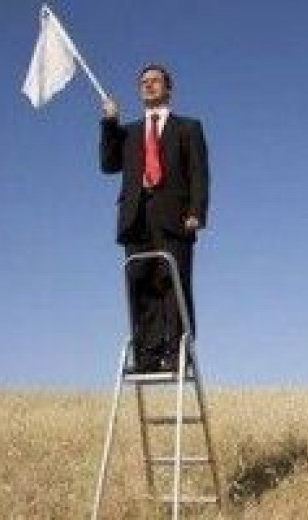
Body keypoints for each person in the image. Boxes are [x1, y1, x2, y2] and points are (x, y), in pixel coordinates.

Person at [99, 64, 209, 373]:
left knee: (173, 282)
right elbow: (108, 165)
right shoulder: (129, 132)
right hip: (136, 218)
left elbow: (199, 174)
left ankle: (177, 353)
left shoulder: (188, 127)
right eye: (143, 82)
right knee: (140, 283)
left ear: (168, 88)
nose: (148, 85)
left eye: (155, 81)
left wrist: (196, 212)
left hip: (175, 218)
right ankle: (146, 355)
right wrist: (109, 122)